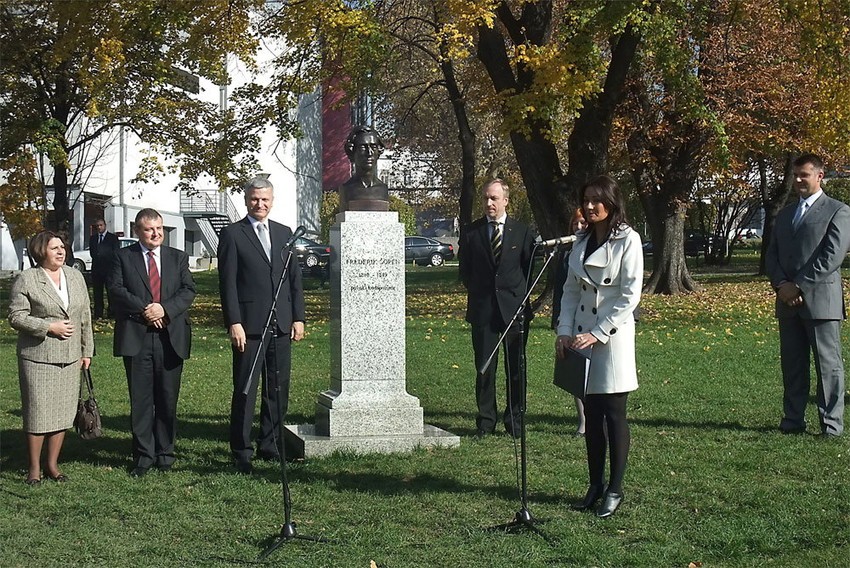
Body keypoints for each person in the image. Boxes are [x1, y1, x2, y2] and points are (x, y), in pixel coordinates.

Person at [555, 175, 643, 518]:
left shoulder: (628, 240)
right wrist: (564, 331)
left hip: (612, 338)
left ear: (612, 202)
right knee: (591, 416)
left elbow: (628, 295)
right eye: (586, 199)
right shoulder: (581, 241)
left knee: (613, 414)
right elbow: (570, 291)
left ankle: (615, 488)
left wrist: (599, 331)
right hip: (581, 336)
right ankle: (595, 484)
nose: (590, 206)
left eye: (597, 200)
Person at [218, 177, 306, 474]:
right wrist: (234, 322)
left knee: (277, 389)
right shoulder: (232, 234)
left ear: (272, 200)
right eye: (255, 199)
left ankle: (270, 443)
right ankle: (241, 450)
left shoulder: (284, 233)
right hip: (250, 327)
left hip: (281, 325)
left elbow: (294, 280)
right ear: (246, 200)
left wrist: (298, 317)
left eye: (265, 199)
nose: (260, 204)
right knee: (245, 389)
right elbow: (227, 283)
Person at [766, 153, 850, 438]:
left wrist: (798, 285)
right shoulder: (787, 213)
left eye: (804, 175)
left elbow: (832, 256)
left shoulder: (838, 210)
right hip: (787, 302)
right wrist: (782, 286)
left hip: (821, 303)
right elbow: (772, 254)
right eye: (796, 175)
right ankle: (792, 421)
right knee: (793, 366)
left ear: (819, 176)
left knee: (828, 367)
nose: (799, 180)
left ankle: (831, 425)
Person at [108, 209, 196, 477]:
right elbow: (116, 289)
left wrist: (164, 310)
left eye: (159, 228)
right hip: (138, 336)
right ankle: (144, 455)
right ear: (137, 231)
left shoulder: (177, 257)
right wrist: (147, 309)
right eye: (149, 229)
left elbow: (188, 290)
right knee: (142, 399)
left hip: (171, 337)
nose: (156, 233)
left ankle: (165, 453)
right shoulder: (123, 257)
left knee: (168, 398)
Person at [9, 231, 93, 485]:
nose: (60, 251)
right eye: (54, 248)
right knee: (38, 413)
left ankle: (52, 465)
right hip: (38, 357)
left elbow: (85, 315)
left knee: (63, 413)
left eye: (62, 247)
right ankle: (34, 468)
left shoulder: (75, 276)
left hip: (70, 357)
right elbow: (16, 316)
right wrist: (48, 327)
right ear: (39, 252)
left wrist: (86, 350)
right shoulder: (28, 279)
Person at [459, 179, 534, 439]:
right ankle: (485, 421)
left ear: (506, 200)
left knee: (516, 370)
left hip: (514, 312)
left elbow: (528, 270)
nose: (489, 203)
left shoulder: (523, 232)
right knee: (485, 369)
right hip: (483, 312)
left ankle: (515, 422)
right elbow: (465, 272)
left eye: (494, 198)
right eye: (485, 198)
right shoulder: (471, 232)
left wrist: (516, 298)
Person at [551, 207, 588, 437]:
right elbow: (563, 291)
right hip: (572, 320)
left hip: (594, 322)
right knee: (576, 371)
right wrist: (559, 321)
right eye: (576, 223)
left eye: (583, 223)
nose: (579, 227)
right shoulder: (566, 255)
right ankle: (583, 421)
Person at [338, 126, 390, 212]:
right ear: (352, 152)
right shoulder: (347, 189)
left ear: (379, 152)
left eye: (373, 147)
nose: (369, 153)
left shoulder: (383, 188)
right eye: (363, 147)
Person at [89, 218, 120, 318]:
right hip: (96, 270)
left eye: (101, 225)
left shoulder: (112, 238)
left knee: (110, 293)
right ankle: (98, 313)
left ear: (105, 225)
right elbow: (92, 253)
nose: (99, 227)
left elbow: (115, 253)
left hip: (108, 270)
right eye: (97, 226)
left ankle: (111, 313)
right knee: (97, 293)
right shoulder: (93, 238)